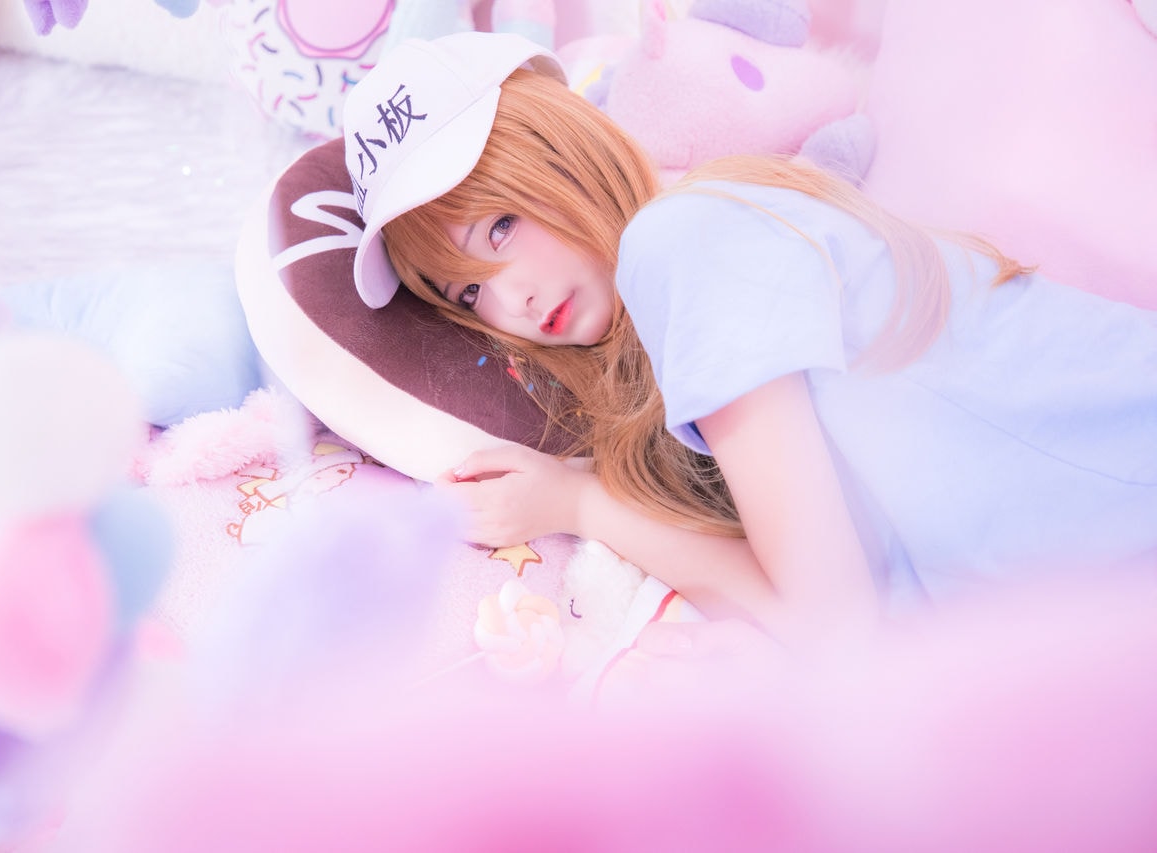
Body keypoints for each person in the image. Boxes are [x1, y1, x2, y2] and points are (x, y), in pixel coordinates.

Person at [341, 32, 1157, 639]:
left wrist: (578, 503)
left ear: (564, 153)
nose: (509, 298)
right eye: (467, 291)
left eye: (499, 226)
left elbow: (832, 626)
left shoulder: (684, 241)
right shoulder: (677, 321)